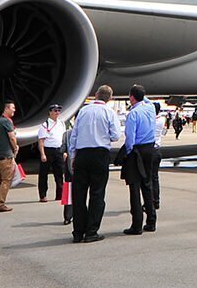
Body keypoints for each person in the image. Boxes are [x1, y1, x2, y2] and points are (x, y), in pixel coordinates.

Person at [67, 86, 122, 243]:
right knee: (97, 194)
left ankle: (78, 232)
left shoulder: (83, 111)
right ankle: (91, 231)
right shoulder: (109, 112)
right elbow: (116, 135)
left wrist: (73, 156)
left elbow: (74, 136)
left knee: (79, 194)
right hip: (100, 153)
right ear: (109, 98)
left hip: (82, 154)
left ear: (96, 95)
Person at [120, 86, 161, 236]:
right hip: (150, 149)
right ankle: (151, 221)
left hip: (137, 150)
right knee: (147, 184)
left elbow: (130, 138)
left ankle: (137, 224)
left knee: (134, 187)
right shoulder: (150, 108)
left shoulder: (134, 114)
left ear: (132, 97)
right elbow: (145, 99)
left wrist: (128, 152)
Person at [34, 105, 68, 206]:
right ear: (50, 112)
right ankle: (43, 195)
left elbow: (64, 138)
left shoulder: (61, 123)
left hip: (59, 150)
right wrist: (42, 154)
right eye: (55, 110)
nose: (57, 112)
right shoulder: (45, 125)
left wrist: (65, 151)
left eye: (58, 110)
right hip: (48, 150)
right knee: (43, 174)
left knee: (59, 173)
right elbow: (41, 141)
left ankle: (59, 194)